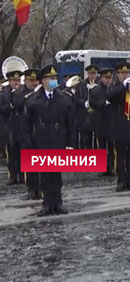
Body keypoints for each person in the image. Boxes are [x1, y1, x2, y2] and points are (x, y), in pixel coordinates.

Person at [21, 64, 76, 216]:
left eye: (55, 77)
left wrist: (71, 144)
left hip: (58, 141)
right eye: (50, 78)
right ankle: (47, 204)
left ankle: (58, 203)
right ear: (43, 81)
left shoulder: (64, 98)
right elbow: (26, 124)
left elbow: (71, 123)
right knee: (44, 175)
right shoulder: (32, 100)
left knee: (56, 175)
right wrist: (28, 145)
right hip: (41, 141)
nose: (54, 80)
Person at [107, 62, 130, 191]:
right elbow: (110, 96)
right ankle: (121, 180)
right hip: (119, 124)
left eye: (127, 73)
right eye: (122, 73)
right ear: (118, 75)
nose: (125, 75)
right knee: (120, 155)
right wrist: (123, 87)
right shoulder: (114, 86)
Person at [15, 69, 40, 199]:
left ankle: (40, 188)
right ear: (26, 81)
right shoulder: (20, 93)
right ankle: (31, 189)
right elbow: (17, 105)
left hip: (39, 131)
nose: (33, 83)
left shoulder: (40, 93)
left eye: (35, 80)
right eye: (31, 80)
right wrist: (30, 95)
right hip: (25, 131)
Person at [89, 67, 115, 176]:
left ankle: (112, 167)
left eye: (109, 78)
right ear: (101, 78)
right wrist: (103, 103)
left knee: (112, 146)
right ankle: (103, 167)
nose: (108, 80)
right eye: (106, 78)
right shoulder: (95, 90)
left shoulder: (114, 89)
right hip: (100, 122)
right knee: (101, 147)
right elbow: (92, 103)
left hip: (112, 122)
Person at [1, 69, 23, 185]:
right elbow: (2, 109)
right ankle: (13, 176)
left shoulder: (23, 91)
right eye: (14, 80)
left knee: (22, 152)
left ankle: (23, 175)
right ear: (9, 81)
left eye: (18, 80)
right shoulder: (4, 93)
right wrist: (11, 106)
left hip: (21, 127)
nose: (16, 82)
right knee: (11, 153)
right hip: (9, 127)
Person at [74, 65, 99, 150]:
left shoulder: (99, 84)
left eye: (94, 73)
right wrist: (84, 102)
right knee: (85, 140)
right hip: (85, 118)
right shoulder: (81, 85)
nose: (92, 75)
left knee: (96, 142)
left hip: (96, 117)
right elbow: (76, 99)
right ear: (87, 74)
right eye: (90, 73)